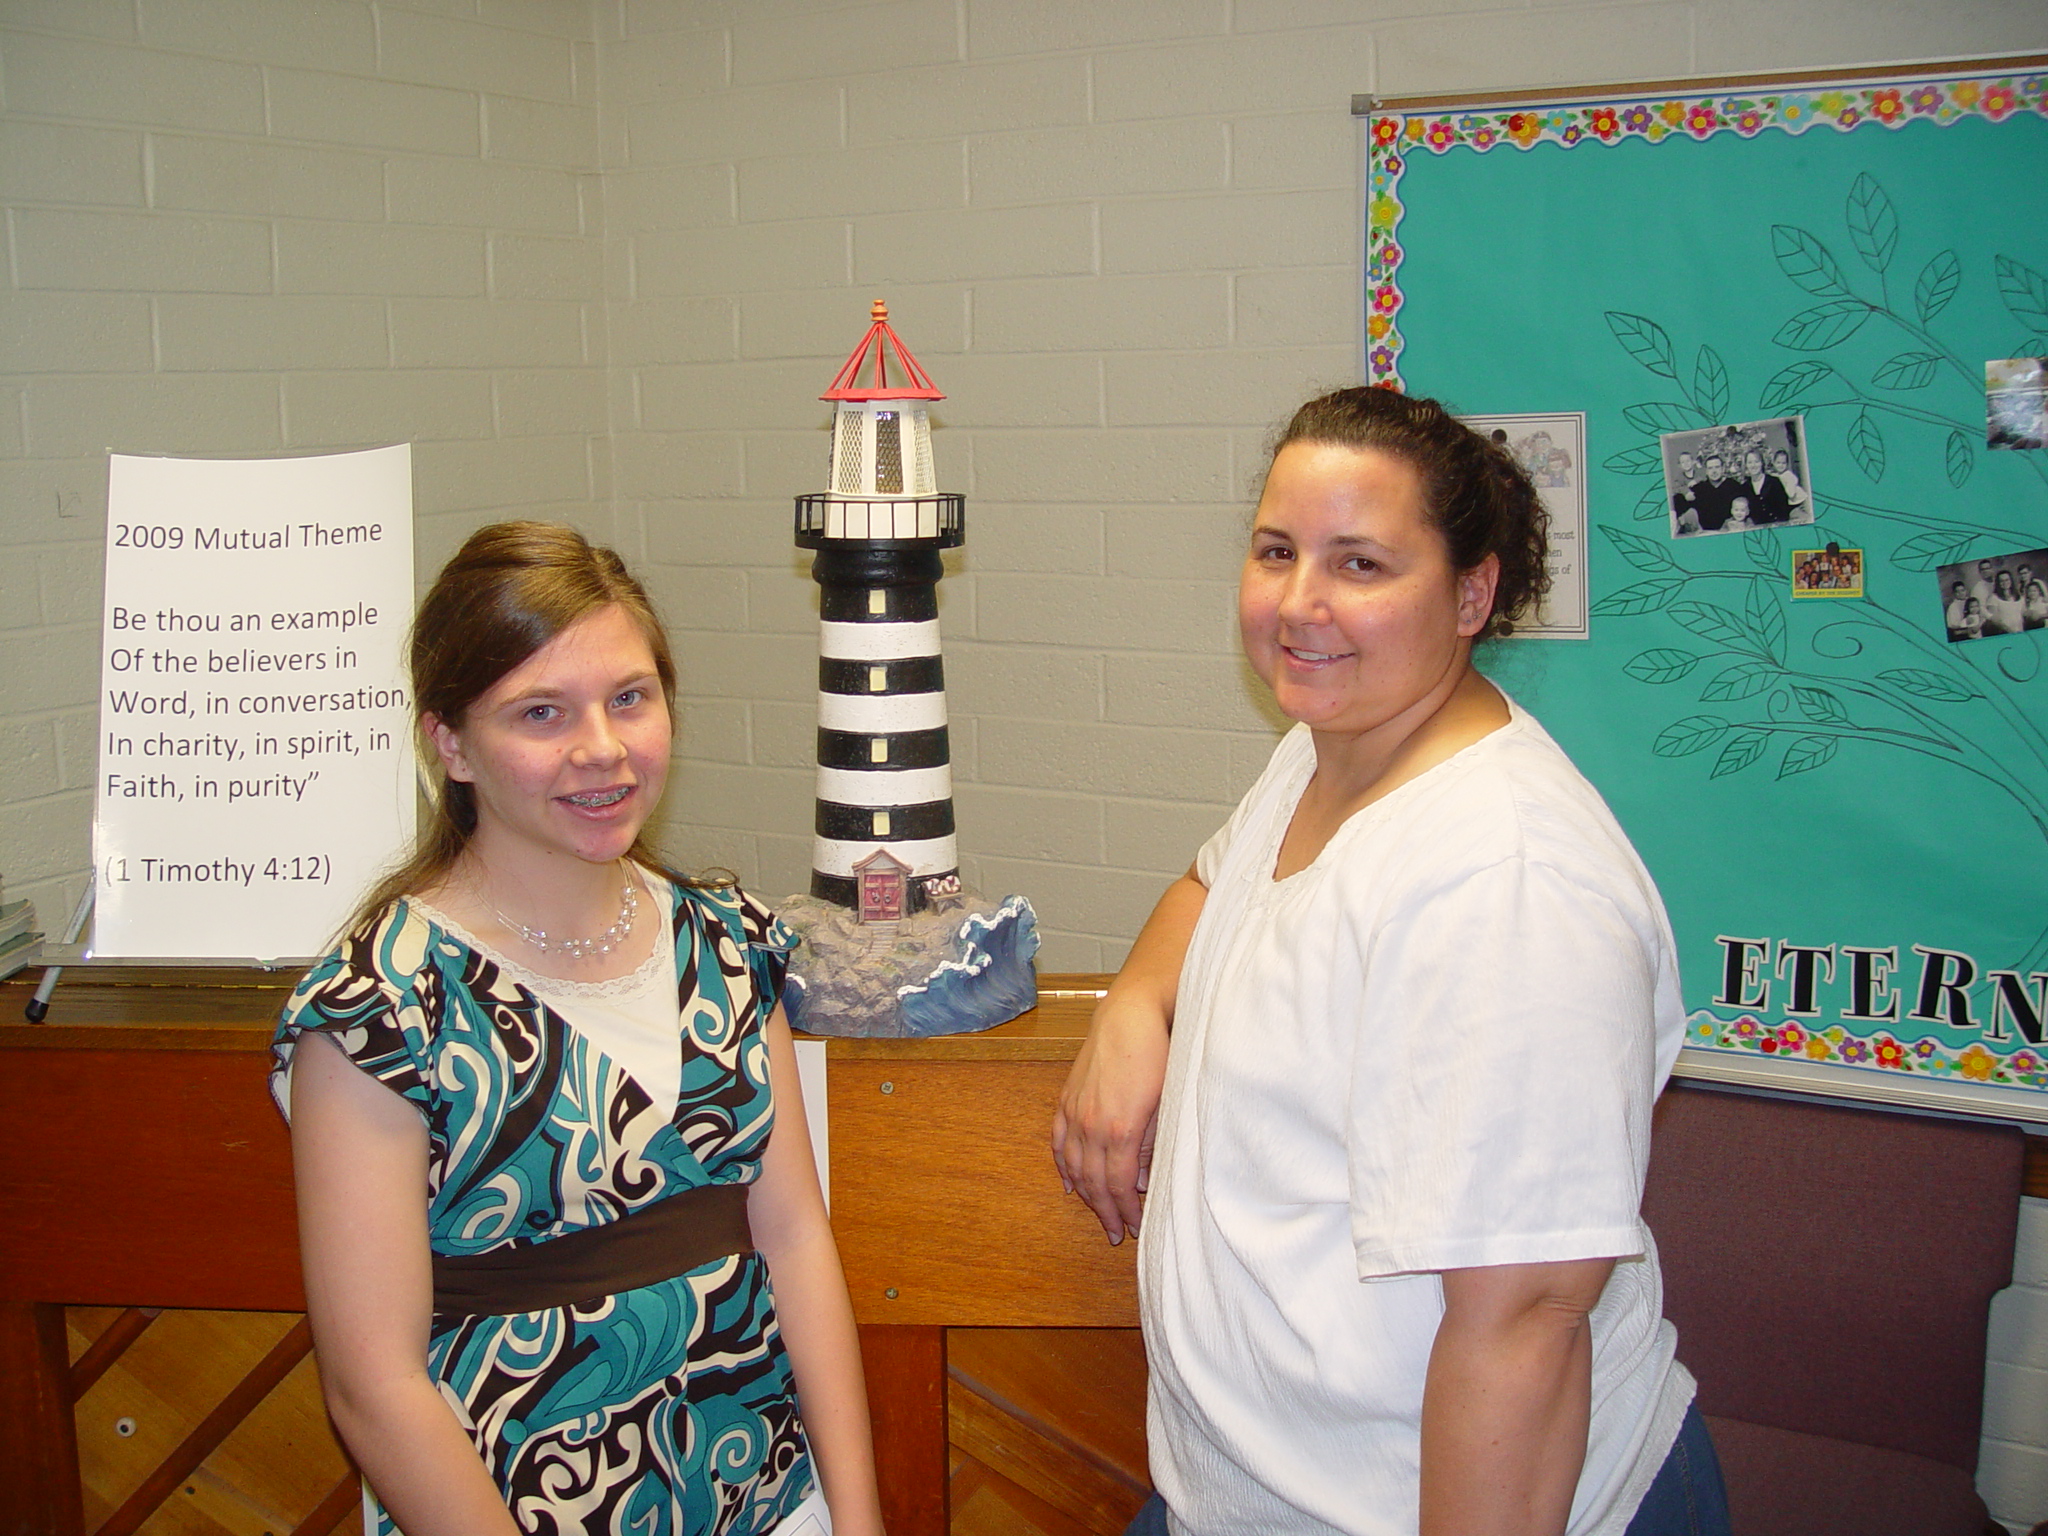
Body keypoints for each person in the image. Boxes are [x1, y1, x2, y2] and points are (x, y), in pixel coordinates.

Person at [1052, 388, 1717, 1536]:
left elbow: (1524, 1325)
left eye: (1358, 564)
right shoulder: (1332, 746)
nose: (1297, 604)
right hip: (1252, 1497)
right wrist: (1132, 1008)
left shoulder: (1505, 885)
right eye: (1276, 551)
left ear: (1470, 594)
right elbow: (1211, 889)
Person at [272, 523, 882, 1536]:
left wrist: (855, 1519)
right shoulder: (383, 1007)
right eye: (541, 712)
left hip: (767, 1500)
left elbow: (793, 1239)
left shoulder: (728, 944)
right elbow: (373, 1386)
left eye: (629, 698)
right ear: (449, 744)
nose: (601, 748)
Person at [1984, 569, 2026, 636]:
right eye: (2002, 581)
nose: (2005, 582)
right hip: (2004, 633)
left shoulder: (2019, 597)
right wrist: (2008, 630)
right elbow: (1994, 620)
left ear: (2011, 581)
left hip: (2020, 632)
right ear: (1998, 583)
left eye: (2007, 580)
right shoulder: (1993, 599)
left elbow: (2023, 614)